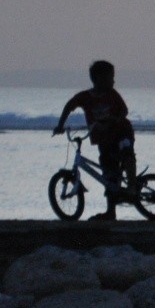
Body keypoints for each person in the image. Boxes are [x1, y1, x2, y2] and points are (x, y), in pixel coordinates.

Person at [53, 60, 138, 220]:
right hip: (103, 139)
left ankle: (132, 187)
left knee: (126, 151)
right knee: (109, 173)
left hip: (121, 132)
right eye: (110, 78)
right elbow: (69, 105)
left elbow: (124, 111)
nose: (113, 81)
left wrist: (114, 119)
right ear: (98, 79)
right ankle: (110, 212)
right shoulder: (85, 97)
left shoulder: (112, 94)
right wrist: (60, 125)